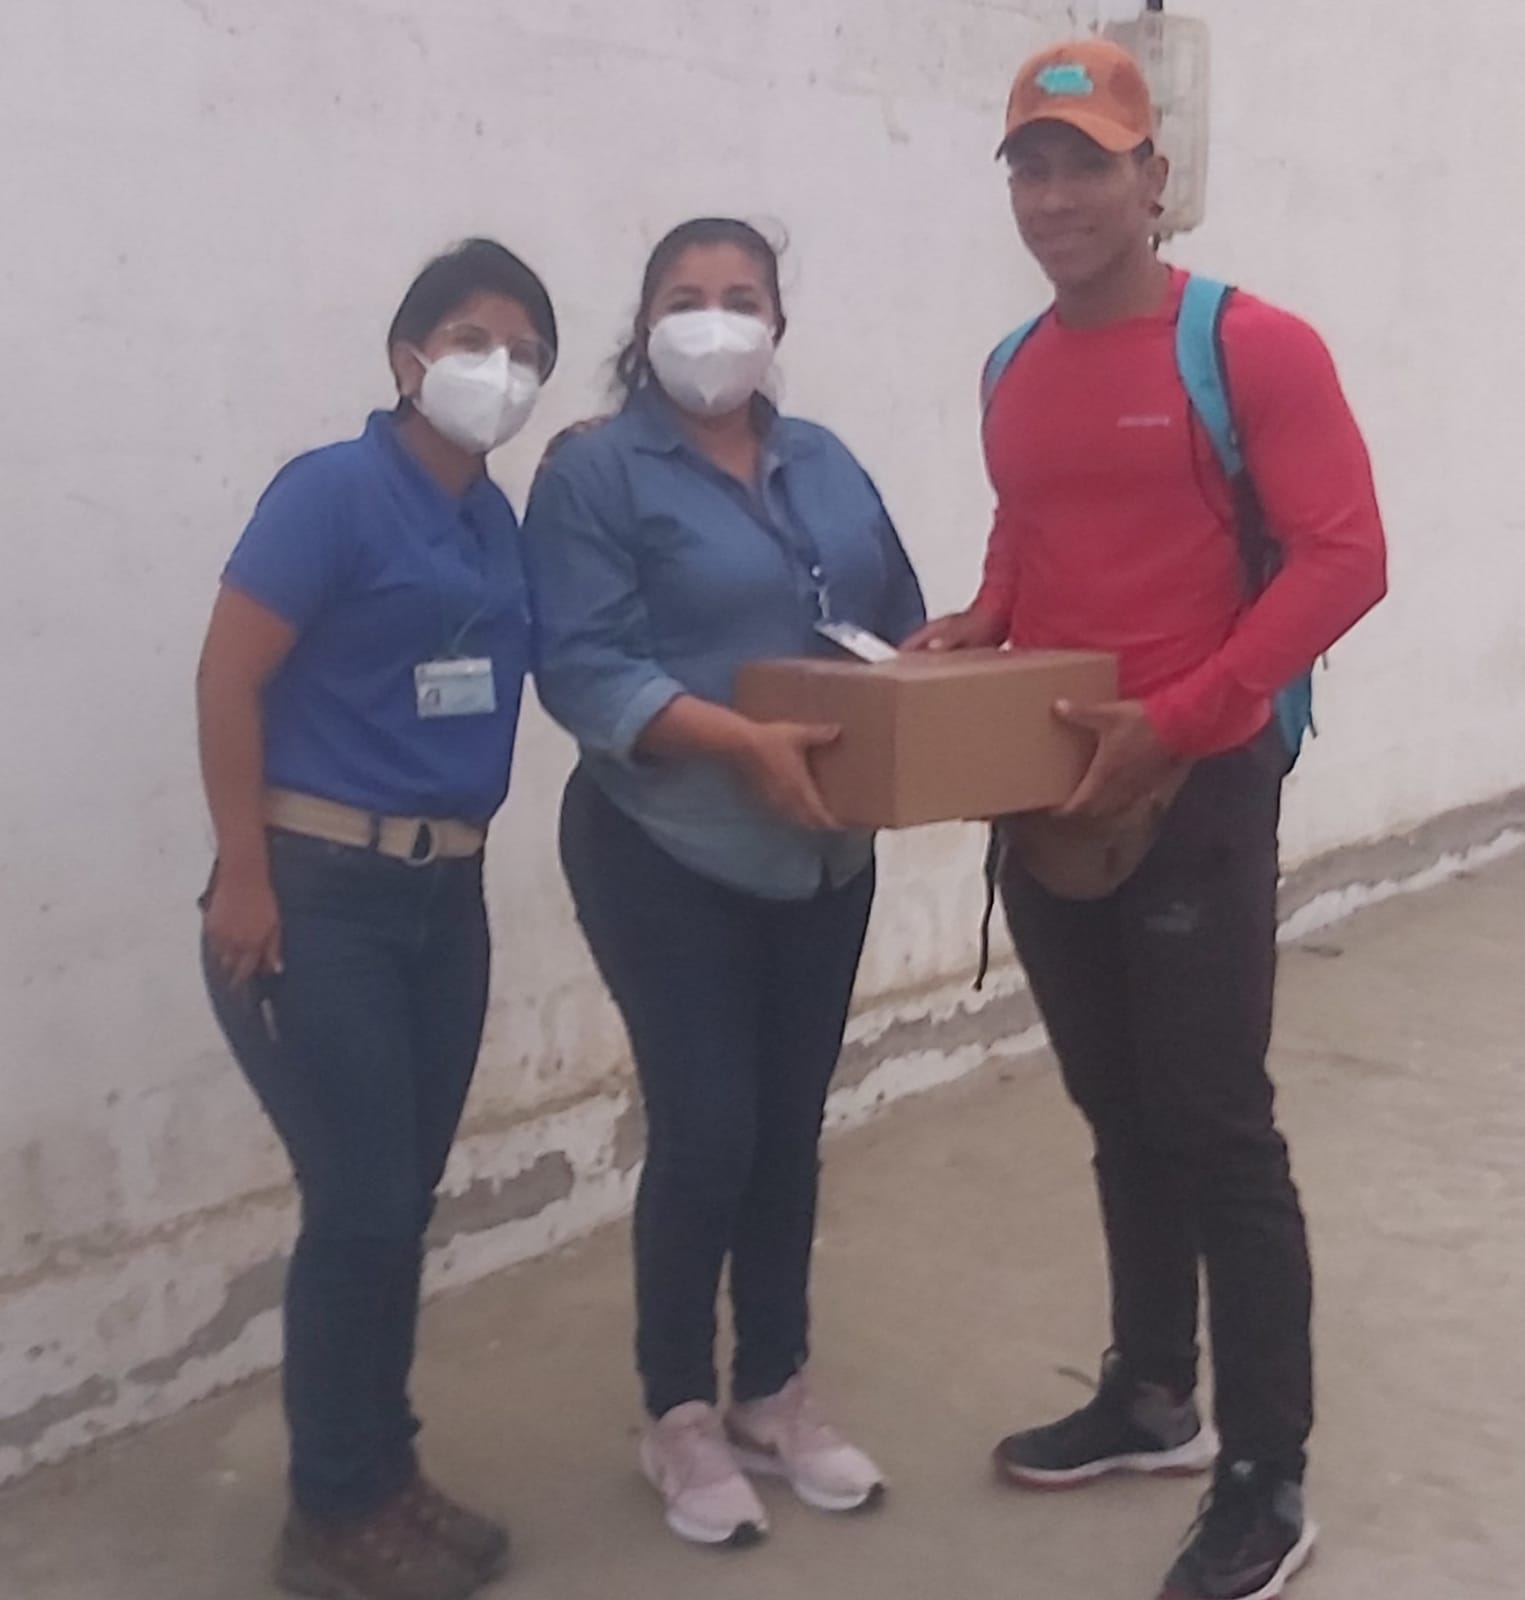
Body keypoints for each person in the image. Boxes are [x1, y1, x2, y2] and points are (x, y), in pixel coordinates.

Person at [906, 39, 1387, 1600]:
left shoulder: (1246, 347)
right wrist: (982, 621)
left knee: (1216, 1128)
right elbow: (1030, 531)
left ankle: (1263, 1476)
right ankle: (1150, 1394)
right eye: (1029, 169)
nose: (1054, 197)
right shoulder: (1010, 366)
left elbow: (1343, 557)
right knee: (1118, 1113)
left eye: (1085, 164)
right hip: (1052, 787)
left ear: (1150, 179)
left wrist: (1179, 719)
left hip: (1196, 783)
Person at [523, 218, 926, 1549]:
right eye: (685, 298)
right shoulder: (594, 474)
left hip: (824, 850)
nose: (713, 321)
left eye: (740, 296)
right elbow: (583, 664)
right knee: (708, 1128)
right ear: (643, 327)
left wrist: (945, 691)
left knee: (787, 1127)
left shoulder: (827, 463)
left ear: (777, 324)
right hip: (665, 844)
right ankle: (678, 1412)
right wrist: (742, 743)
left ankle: (773, 1392)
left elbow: (897, 622)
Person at [197, 238, 558, 1600]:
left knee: (398, 1204)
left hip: (440, 898)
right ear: (408, 356)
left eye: (526, 354)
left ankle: (383, 1471)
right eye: (473, 340)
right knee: (357, 1205)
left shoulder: (492, 519)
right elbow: (226, 679)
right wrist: (244, 873)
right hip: (316, 893)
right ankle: (332, 1510)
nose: (498, 370)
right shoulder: (332, 493)